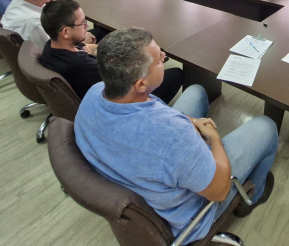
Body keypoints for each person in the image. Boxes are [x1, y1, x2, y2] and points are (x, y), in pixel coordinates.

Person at [74, 27, 278, 243]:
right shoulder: (173, 136)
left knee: (196, 91)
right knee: (266, 126)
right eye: (158, 61)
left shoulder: (95, 92)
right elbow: (218, 192)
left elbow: (159, 118)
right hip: (189, 217)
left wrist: (191, 122)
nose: (163, 56)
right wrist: (215, 139)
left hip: (135, 170)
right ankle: (252, 197)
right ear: (141, 84)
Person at [39, 0, 184, 102]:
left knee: (102, 32)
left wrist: (88, 48)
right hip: (121, 96)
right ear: (65, 32)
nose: (87, 25)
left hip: (89, 83)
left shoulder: (50, 46)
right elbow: (128, 77)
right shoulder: (83, 66)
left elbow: (86, 48)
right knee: (177, 74)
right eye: (82, 23)